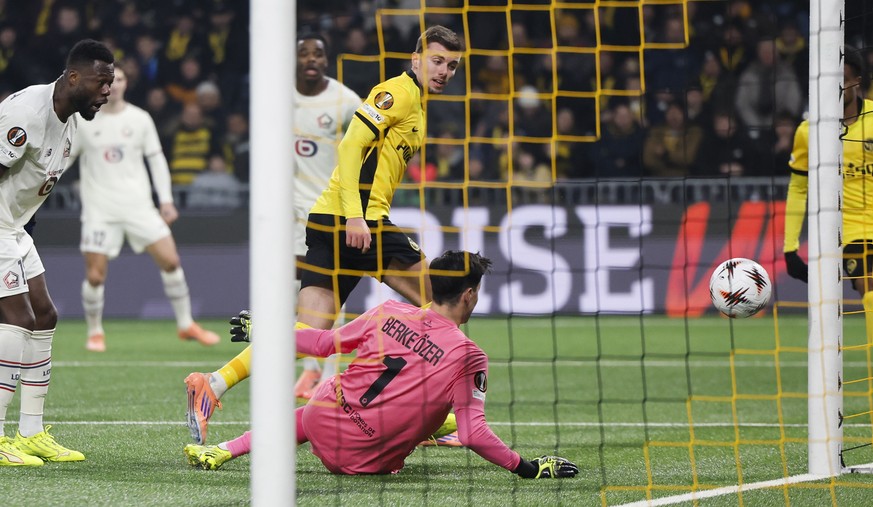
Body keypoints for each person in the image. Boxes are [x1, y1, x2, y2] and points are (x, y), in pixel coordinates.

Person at [184, 251, 579, 480]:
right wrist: (529, 469)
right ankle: (434, 430)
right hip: (366, 462)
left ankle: (222, 450)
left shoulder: (388, 311)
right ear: (470, 295)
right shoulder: (469, 354)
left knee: (316, 408)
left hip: (325, 422)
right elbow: (475, 434)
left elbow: (320, 343)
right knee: (453, 414)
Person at [183, 30, 366, 444]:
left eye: (318, 53)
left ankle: (267, 360)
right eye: (303, 53)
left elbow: (363, 151)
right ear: (294, 59)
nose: (311, 60)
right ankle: (311, 378)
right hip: (291, 219)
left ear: (327, 58)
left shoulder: (345, 102)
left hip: (331, 213)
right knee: (316, 311)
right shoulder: (275, 96)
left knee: (316, 312)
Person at [0, 39, 114, 466]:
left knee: (44, 314)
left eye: (111, 84)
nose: (107, 92)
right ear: (73, 77)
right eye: (102, 83)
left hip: (12, 225)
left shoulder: (69, 122)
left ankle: (30, 432)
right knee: (18, 317)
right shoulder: (25, 115)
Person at [70, 66, 222, 351]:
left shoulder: (140, 119)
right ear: (99, 86)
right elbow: (64, 161)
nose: (113, 86)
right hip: (100, 210)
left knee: (171, 261)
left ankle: (186, 324)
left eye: (119, 81)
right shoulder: (83, 121)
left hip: (139, 206)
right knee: (95, 276)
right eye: (107, 82)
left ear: (127, 85)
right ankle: (95, 331)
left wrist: (165, 200)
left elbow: (156, 160)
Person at [783, 48, 873, 338]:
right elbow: (798, 188)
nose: (837, 86)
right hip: (850, 232)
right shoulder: (809, 131)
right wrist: (790, 247)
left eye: (843, 80)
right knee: (869, 288)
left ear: (856, 81)